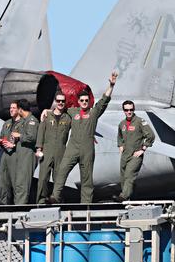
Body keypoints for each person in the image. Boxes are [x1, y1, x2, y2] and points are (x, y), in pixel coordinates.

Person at [47, 71, 118, 204]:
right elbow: (59, 109)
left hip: (87, 149)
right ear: (78, 102)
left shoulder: (93, 112)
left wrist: (111, 85)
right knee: (62, 171)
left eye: (86, 101)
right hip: (72, 147)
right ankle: (55, 197)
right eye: (82, 101)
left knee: (86, 178)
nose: (84, 102)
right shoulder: (72, 111)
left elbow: (104, 100)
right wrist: (47, 111)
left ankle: (86, 203)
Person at [35, 91, 72, 204]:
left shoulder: (68, 118)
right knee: (43, 177)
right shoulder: (47, 116)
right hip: (47, 149)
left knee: (58, 177)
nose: (60, 103)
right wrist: (38, 148)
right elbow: (41, 132)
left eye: (63, 101)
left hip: (61, 151)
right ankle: (41, 201)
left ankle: (57, 200)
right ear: (55, 102)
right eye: (58, 101)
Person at [115, 100, 155, 202]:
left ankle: (123, 196)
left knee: (129, 175)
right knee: (123, 177)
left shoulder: (140, 122)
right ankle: (126, 198)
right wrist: (120, 145)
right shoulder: (122, 124)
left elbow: (150, 135)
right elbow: (119, 136)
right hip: (125, 155)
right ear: (123, 110)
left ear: (134, 109)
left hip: (135, 155)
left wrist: (143, 149)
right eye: (126, 110)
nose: (129, 112)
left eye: (131, 109)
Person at [12, 99, 39, 204]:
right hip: (21, 155)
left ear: (20, 109)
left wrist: (19, 136)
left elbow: (32, 137)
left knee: (23, 183)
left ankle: (20, 208)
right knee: (19, 182)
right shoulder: (23, 121)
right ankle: (18, 205)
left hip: (27, 155)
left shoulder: (32, 121)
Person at [0, 101, 20, 205]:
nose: (11, 110)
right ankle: (3, 201)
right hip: (5, 154)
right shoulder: (7, 123)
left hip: (16, 154)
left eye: (14, 108)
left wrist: (14, 145)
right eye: (10, 108)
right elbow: (2, 136)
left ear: (19, 110)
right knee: (3, 179)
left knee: (16, 180)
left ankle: (18, 202)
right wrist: (0, 142)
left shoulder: (23, 123)